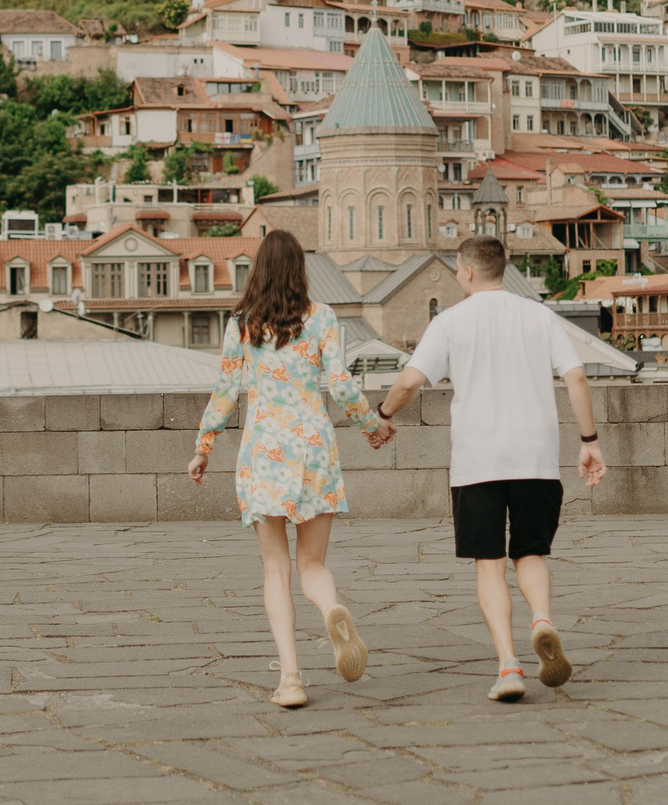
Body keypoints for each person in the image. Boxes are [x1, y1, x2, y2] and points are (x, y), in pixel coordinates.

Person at [366, 234, 606, 701]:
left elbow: (411, 380)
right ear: (505, 267)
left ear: (469, 271)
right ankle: (542, 619)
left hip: (478, 461)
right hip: (536, 458)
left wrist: (383, 415)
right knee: (530, 554)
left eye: (457, 270)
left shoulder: (450, 321)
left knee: (489, 564)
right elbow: (576, 376)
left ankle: (509, 666)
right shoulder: (540, 315)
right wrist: (589, 441)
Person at [187, 229, 376, 708]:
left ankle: (290, 678)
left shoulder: (243, 324)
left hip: (264, 450)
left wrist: (204, 445)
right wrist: (371, 424)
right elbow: (340, 383)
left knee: (276, 569)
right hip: (314, 447)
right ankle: (331, 607)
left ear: (260, 270)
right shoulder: (324, 319)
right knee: (312, 564)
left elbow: (226, 390)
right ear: (301, 270)